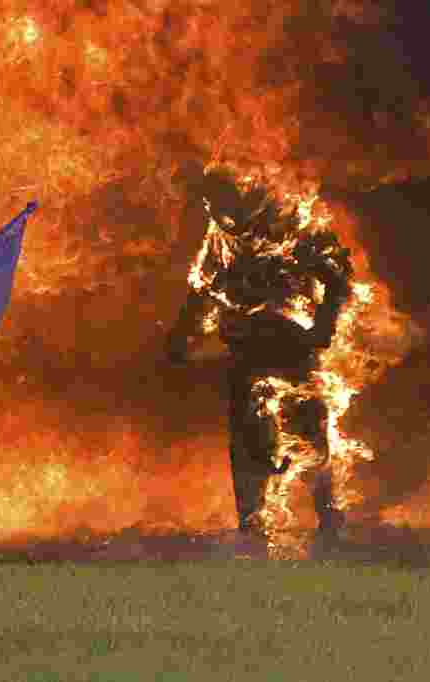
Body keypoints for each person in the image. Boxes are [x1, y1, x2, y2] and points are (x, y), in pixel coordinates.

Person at [165, 169, 352, 556]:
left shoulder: (289, 223)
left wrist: (323, 326)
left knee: (309, 431)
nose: (212, 210)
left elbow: (335, 275)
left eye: (218, 202)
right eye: (209, 205)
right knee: (248, 439)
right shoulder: (219, 237)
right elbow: (203, 288)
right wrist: (181, 335)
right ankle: (253, 530)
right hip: (246, 348)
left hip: (291, 343)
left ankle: (331, 523)